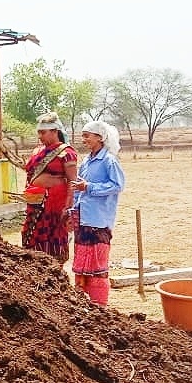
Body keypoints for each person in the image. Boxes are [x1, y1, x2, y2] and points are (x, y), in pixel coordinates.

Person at [71, 121, 126, 306]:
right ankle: (82, 307)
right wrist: (72, 210)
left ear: (100, 138)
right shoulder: (86, 161)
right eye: (83, 135)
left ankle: (99, 307)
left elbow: (118, 185)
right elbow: (78, 188)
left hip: (99, 220)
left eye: (87, 135)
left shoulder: (109, 161)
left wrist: (90, 187)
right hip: (83, 219)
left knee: (97, 267)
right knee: (81, 266)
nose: (84, 139)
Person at [21, 112, 79, 262]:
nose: (40, 136)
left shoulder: (67, 153)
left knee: (53, 239)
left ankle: (54, 273)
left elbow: (73, 182)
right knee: (30, 236)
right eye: (38, 132)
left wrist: (68, 208)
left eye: (43, 132)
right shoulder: (37, 151)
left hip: (55, 205)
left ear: (55, 131)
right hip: (35, 203)